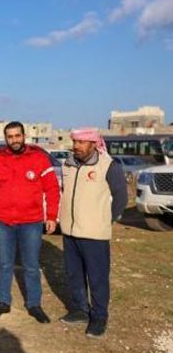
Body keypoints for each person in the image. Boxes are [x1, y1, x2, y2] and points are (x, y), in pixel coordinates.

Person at [0, 121, 60, 323]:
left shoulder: (39, 159)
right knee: (5, 264)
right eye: (10, 136)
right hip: (3, 221)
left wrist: (51, 216)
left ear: (24, 136)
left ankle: (34, 304)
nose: (14, 140)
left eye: (17, 136)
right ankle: (3, 302)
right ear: (5, 138)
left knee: (31, 265)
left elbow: (52, 189)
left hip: (31, 222)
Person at [58, 128, 127, 338]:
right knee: (74, 274)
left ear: (94, 144)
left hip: (95, 235)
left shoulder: (108, 166)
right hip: (70, 232)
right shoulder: (68, 165)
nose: (76, 146)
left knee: (97, 278)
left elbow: (121, 197)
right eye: (75, 141)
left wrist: (107, 219)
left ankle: (99, 317)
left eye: (81, 142)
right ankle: (80, 310)